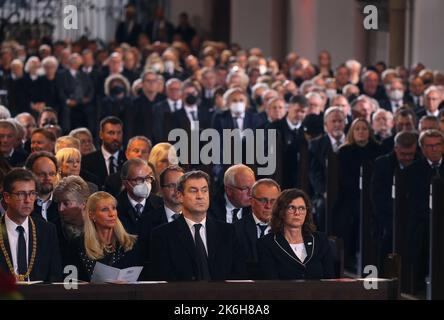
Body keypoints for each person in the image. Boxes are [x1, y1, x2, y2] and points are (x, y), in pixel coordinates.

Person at [151, 170, 247, 281]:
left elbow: (239, 276)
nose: (200, 196)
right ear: (180, 196)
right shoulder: (162, 235)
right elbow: (164, 281)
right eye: (193, 191)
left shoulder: (228, 232)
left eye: (204, 190)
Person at [333, 118, 385, 271]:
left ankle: (373, 259)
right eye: (357, 129)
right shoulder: (344, 151)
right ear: (352, 132)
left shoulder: (379, 149)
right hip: (351, 195)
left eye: (364, 128)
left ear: (370, 132)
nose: (361, 132)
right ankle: (349, 258)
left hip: (374, 194)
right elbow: (343, 178)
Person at [256, 188, 334, 280]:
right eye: (291, 208)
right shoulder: (266, 244)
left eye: (301, 208)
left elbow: (330, 280)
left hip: (318, 293)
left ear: (307, 212)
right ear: (281, 211)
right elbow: (271, 283)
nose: (297, 213)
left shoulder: (320, 240)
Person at [0, 168, 62, 282]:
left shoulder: (47, 230)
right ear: (7, 197)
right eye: (21, 194)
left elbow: (55, 277)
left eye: (32, 193)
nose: (28, 200)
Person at [371, 131, 418, 269]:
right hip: (388, 214)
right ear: (396, 149)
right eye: (403, 154)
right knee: (389, 234)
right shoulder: (382, 164)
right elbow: (377, 196)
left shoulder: (419, 161)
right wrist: (397, 212)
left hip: (413, 214)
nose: (408, 158)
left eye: (411, 154)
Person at [76, 191, 140, 281]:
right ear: (91, 215)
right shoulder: (79, 245)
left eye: (113, 208)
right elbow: (71, 282)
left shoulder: (130, 244)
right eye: (104, 209)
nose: (112, 214)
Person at [234, 179, 280, 278]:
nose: (268, 206)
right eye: (263, 200)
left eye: (273, 201)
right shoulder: (235, 230)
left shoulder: (286, 230)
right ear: (251, 201)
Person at [52, 176, 90, 273]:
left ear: (83, 203)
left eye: (66, 203)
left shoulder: (98, 226)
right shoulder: (53, 229)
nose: (60, 209)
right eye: (58, 203)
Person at [81, 116, 127, 189]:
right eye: (111, 133)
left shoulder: (127, 159)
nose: (115, 137)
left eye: (119, 133)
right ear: (101, 135)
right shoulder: (87, 161)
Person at [24, 152, 59, 224]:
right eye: (41, 174)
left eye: (52, 174)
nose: (48, 178)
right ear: (29, 174)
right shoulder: (23, 203)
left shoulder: (62, 203)